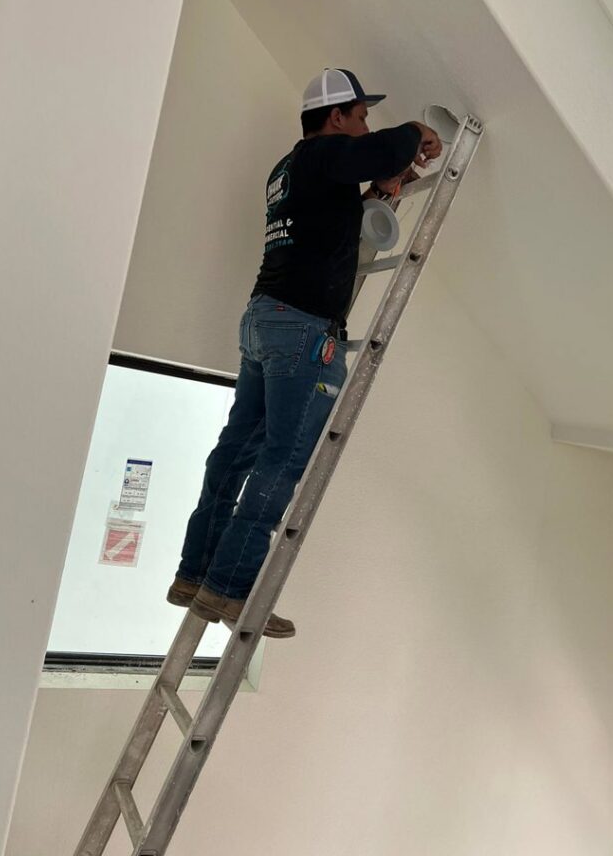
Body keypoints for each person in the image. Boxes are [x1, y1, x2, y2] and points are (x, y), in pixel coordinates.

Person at [167, 69, 442, 638]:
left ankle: (195, 575)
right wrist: (415, 130)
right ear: (335, 118)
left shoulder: (291, 168)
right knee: (284, 458)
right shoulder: (325, 156)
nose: (366, 127)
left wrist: (379, 190)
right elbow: (385, 147)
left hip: (265, 319)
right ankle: (232, 589)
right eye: (361, 116)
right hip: (300, 332)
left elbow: (329, 221)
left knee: (238, 450)